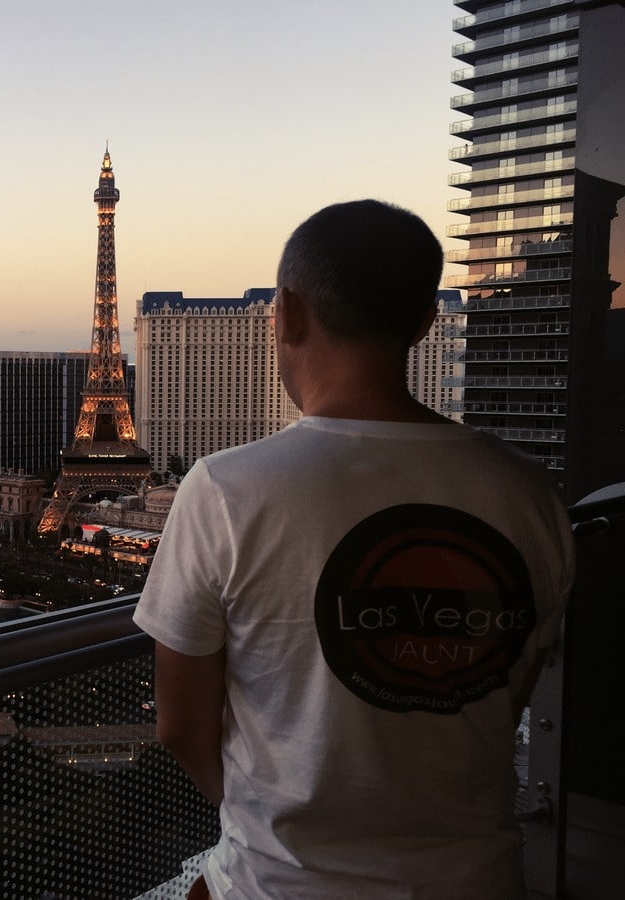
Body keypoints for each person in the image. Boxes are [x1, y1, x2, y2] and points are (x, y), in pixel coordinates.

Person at [133, 200, 574, 899]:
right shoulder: (530, 494)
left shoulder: (225, 488)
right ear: (427, 321)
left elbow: (181, 725)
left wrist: (260, 823)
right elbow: (501, 692)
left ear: (287, 314)